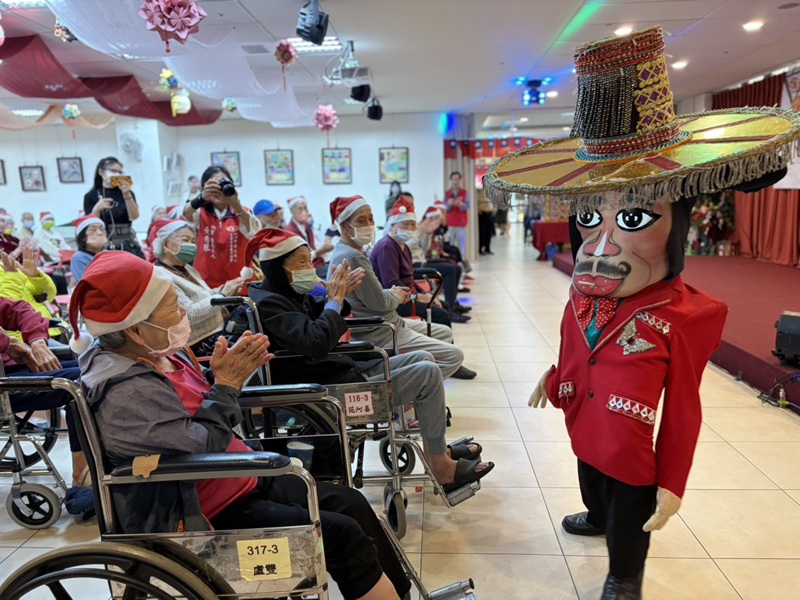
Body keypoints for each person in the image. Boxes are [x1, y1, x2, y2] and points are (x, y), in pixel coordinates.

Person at [483, 25, 800, 600]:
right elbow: (577, 347)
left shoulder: (686, 316)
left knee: (628, 509)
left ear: (675, 223)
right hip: (583, 421)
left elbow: (683, 407)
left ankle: (624, 574)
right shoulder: (584, 293)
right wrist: (557, 378)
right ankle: (596, 515)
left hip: (634, 446)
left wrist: (673, 478)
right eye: (588, 217)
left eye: (632, 218)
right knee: (589, 481)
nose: (599, 246)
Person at [70, 251, 413, 600]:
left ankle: (401, 595)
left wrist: (221, 375)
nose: (184, 314)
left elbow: (194, 405)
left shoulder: (157, 355)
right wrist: (226, 386)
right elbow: (201, 445)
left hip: (239, 480)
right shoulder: (127, 390)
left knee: (350, 502)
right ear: (136, 328)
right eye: (174, 308)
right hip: (201, 513)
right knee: (341, 534)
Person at [245, 229, 493, 491]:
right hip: (324, 393)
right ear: (277, 267)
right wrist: (334, 301)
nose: (310, 268)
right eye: (302, 262)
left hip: (339, 372)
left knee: (423, 357)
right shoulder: (269, 304)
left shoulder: (285, 294)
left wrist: (338, 297)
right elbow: (316, 341)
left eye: (309, 260)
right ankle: (439, 465)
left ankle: (437, 450)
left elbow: (321, 321)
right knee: (428, 373)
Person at [327, 196, 475, 380]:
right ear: (344, 225)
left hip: (391, 319)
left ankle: (423, 383)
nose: (368, 225)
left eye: (371, 219)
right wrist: (400, 295)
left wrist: (400, 293)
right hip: (381, 329)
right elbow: (380, 301)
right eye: (360, 220)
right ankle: (417, 388)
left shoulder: (358, 251)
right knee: (455, 355)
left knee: (445, 332)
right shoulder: (355, 255)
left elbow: (386, 291)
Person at [0, 298, 87, 493]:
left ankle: (107, 461)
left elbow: (19, 308)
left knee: (96, 367)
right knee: (81, 383)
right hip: (4, 381)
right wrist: (7, 343)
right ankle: (82, 476)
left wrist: (37, 341)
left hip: (13, 368)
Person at [152, 219, 245, 355]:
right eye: (185, 240)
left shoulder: (188, 269)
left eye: (193, 241)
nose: (191, 245)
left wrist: (223, 289)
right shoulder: (161, 276)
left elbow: (203, 295)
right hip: (199, 343)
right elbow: (189, 314)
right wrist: (222, 296)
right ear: (166, 244)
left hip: (218, 330)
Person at [371, 195, 466, 325]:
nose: (409, 229)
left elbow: (410, 278)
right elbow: (392, 284)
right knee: (441, 315)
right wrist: (419, 297)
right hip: (395, 302)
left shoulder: (403, 246)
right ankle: (439, 345)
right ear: (393, 225)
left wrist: (427, 295)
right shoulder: (387, 246)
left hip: (407, 296)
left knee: (443, 305)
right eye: (405, 224)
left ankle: (441, 342)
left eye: (412, 225)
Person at [182, 165, 261, 289]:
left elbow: (254, 231)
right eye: (214, 185)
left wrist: (235, 203)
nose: (219, 190)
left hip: (239, 284)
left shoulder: (242, 212)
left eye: (223, 183)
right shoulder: (200, 212)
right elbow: (186, 213)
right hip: (206, 285)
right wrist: (202, 197)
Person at [83, 156, 143, 258]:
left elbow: (134, 216)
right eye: (113, 171)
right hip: (105, 242)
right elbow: (90, 223)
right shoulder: (91, 196)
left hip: (127, 240)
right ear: (101, 172)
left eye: (120, 172)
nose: (117, 174)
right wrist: (97, 208)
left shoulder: (127, 192)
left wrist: (127, 195)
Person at [285, 196, 333, 270]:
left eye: (305, 208)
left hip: (318, 262)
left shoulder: (307, 226)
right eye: (300, 209)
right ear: (292, 211)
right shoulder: (290, 231)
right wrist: (320, 251)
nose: (304, 212)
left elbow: (315, 245)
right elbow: (299, 258)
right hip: (307, 268)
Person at [70, 216, 107, 283]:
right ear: (83, 237)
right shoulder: (79, 258)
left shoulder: (108, 254)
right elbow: (88, 284)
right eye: (93, 230)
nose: (99, 233)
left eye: (102, 229)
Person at [444, 172, 469, 258]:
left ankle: (462, 265)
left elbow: (467, 206)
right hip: (450, 224)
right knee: (450, 245)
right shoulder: (447, 194)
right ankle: (452, 263)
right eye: (454, 179)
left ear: (460, 180)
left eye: (457, 179)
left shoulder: (464, 192)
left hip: (461, 224)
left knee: (462, 247)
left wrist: (460, 204)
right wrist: (449, 204)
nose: (455, 181)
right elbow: (445, 208)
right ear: (451, 180)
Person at [477, 189, 494, 255]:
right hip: (482, 213)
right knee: (482, 231)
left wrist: (493, 210)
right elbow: (476, 202)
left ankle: (487, 248)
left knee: (489, 232)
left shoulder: (490, 192)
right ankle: (480, 248)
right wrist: (478, 210)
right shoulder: (479, 192)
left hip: (489, 213)